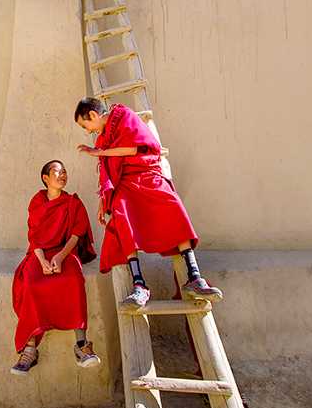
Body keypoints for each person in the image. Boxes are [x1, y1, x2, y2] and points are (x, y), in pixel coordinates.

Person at [74, 97, 222, 308]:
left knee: (174, 206)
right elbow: (106, 174)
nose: (87, 131)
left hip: (147, 175)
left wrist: (100, 152)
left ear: (93, 115)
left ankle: (194, 277)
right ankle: (139, 285)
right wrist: (102, 200)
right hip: (124, 183)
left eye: (85, 125)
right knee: (121, 214)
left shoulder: (123, 116)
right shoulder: (100, 140)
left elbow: (138, 148)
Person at [11, 160, 102, 375]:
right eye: (57, 172)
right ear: (45, 178)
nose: (62, 175)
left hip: (65, 252)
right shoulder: (37, 202)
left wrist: (61, 258)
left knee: (74, 280)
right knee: (30, 282)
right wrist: (42, 262)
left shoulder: (72, 203)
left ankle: (81, 346)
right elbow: (34, 236)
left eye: (65, 172)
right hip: (39, 252)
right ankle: (30, 349)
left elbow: (76, 234)